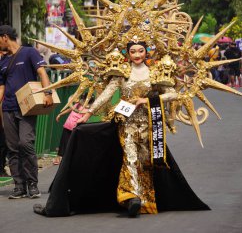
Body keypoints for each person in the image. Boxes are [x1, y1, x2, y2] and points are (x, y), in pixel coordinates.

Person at [33, 41, 209, 217]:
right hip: (126, 123)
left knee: (145, 161)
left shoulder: (156, 72)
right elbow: (107, 93)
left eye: (141, 51)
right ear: (128, 53)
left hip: (149, 123)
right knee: (130, 157)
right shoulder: (122, 73)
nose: (137, 55)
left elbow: (172, 94)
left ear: (146, 52)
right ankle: (131, 197)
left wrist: (146, 101)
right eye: (133, 51)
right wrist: (87, 113)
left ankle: (145, 200)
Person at [0, 25, 53, 199]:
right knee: (12, 148)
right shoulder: (2, 61)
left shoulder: (29, 52)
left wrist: (48, 93)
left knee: (25, 144)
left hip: (27, 107)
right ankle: (19, 186)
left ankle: (32, 183)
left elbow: (42, 73)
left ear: (4, 37)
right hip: (8, 108)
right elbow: (1, 87)